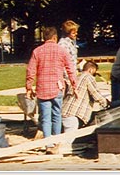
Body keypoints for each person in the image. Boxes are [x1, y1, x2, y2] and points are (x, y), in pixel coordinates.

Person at [26, 26, 78, 154]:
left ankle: (48, 143)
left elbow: (31, 71)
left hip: (42, 88)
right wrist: (74, 85)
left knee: (45, 117)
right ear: (55, 38)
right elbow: (70, 69)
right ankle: (57, 141)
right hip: (57, 87)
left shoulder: (37, 51)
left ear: (44, 37)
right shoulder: (61, 51)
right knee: (56, 115)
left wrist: (28, 87)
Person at [62, 61, 110, 133]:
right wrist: (106, 103)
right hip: (74, 115)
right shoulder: (88, 77)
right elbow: (96, 95)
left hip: (64, 112)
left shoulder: (76, 77)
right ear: (91, 70)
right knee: (67, 142)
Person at [59, 20, 79, 94]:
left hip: (72, 74)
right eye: (73, 33)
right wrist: (68, 79)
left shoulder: (71, 42)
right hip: (66, 77)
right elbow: (64, 62)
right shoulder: (63, 44)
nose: (76, 34)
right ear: (67, 33)